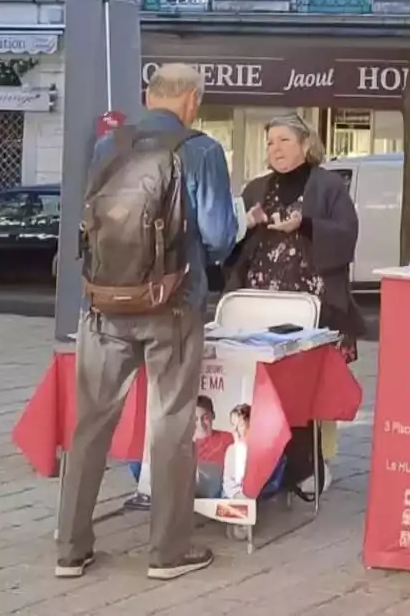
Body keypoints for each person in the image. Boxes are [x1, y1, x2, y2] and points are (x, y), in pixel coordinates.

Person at [57, 63, 237, 581]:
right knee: (170, 425)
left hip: (104, 304)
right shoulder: (200, 150)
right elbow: (220, 236)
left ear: (149, 95)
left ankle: (70, 548)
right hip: (173, 306)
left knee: (90, 424)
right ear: (192, 101)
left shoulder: (107, 147)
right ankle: (168, 552)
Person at [230, 112, 364, 493]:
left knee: (311, 383)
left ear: (306, 144)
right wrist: (248, 225)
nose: (276, 149)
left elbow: (347, 235)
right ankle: (270, 456)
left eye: (285, 140)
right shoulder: (255, 188)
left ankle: (313, 464)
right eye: (271, 142)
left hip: (314, 302)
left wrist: (304, 225)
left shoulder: (328, 185)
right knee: (268, 382)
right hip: (262, 303)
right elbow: (231, 246)